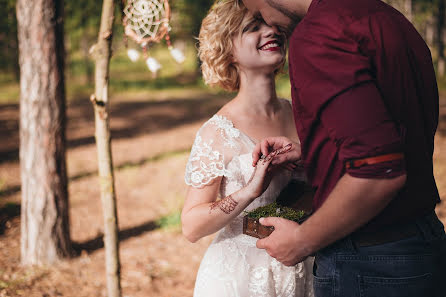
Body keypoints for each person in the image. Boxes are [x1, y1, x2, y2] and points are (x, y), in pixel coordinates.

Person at [240, 0, 446, 296]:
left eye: (258, 12)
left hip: (368, 261)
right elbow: (395, 131)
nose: (269, 24)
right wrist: (315, 152)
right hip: (423, 240)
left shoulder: (319, 32)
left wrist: (302, 241)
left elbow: (380, 171)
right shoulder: (385, 16)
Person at [181, 1, 314, 296]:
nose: (271, 32)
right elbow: (191, 226)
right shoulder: (217, 133)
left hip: (306, 268)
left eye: (274, 25)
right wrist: (249, 191)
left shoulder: (305, 116)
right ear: (228, 50)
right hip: (240, 278)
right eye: (254, 28)